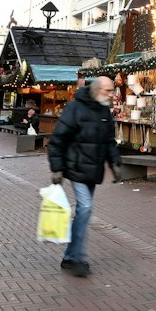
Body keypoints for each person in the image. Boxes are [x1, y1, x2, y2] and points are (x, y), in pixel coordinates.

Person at [46, 75, 119, 278]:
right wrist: (57, 167)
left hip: (93, 170)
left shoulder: (104, 110)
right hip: (75, 167)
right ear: (96, 90)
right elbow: (58, 139)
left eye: (112, 90)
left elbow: (109, 141)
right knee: (86, 208)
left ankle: (69, 256)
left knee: (82, 212)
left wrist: (115, 163)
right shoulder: (74, 108)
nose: (112, 94)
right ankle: (78, 257)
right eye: (108, 90)